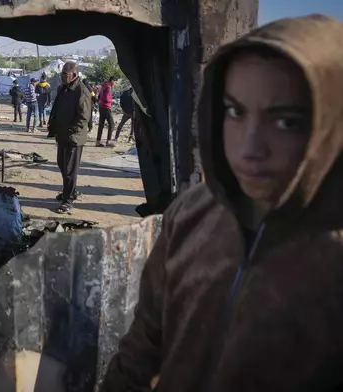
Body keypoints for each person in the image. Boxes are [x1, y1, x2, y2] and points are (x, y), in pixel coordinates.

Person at [101, 15, 343, 392]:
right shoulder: (194, 212)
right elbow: (142, 347)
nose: (250, 148)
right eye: (235, 111)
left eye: (287, 122)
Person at [47, 61, 92, 215]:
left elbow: (83, 117)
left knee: (69, 169)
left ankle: (68, 200)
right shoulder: (63, 89)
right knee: (61, 165)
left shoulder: (82, 91)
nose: (62, 77)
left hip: (74, 138)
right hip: (62, 135)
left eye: (65, 74)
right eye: (61, 74)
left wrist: (70, 130)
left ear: (74, 75)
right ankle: (69, 192)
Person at [96, 76, 117, 147]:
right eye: (115, 82)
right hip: (106, 107)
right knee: (111, 124)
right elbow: (106, 98)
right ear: (112, 81)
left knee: (101, 124)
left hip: (101, 106)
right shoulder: (108, 87)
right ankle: (108, 141)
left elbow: (99, 96)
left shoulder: (103, 85)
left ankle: (98, 141)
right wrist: (112, 101)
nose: (115, 83)